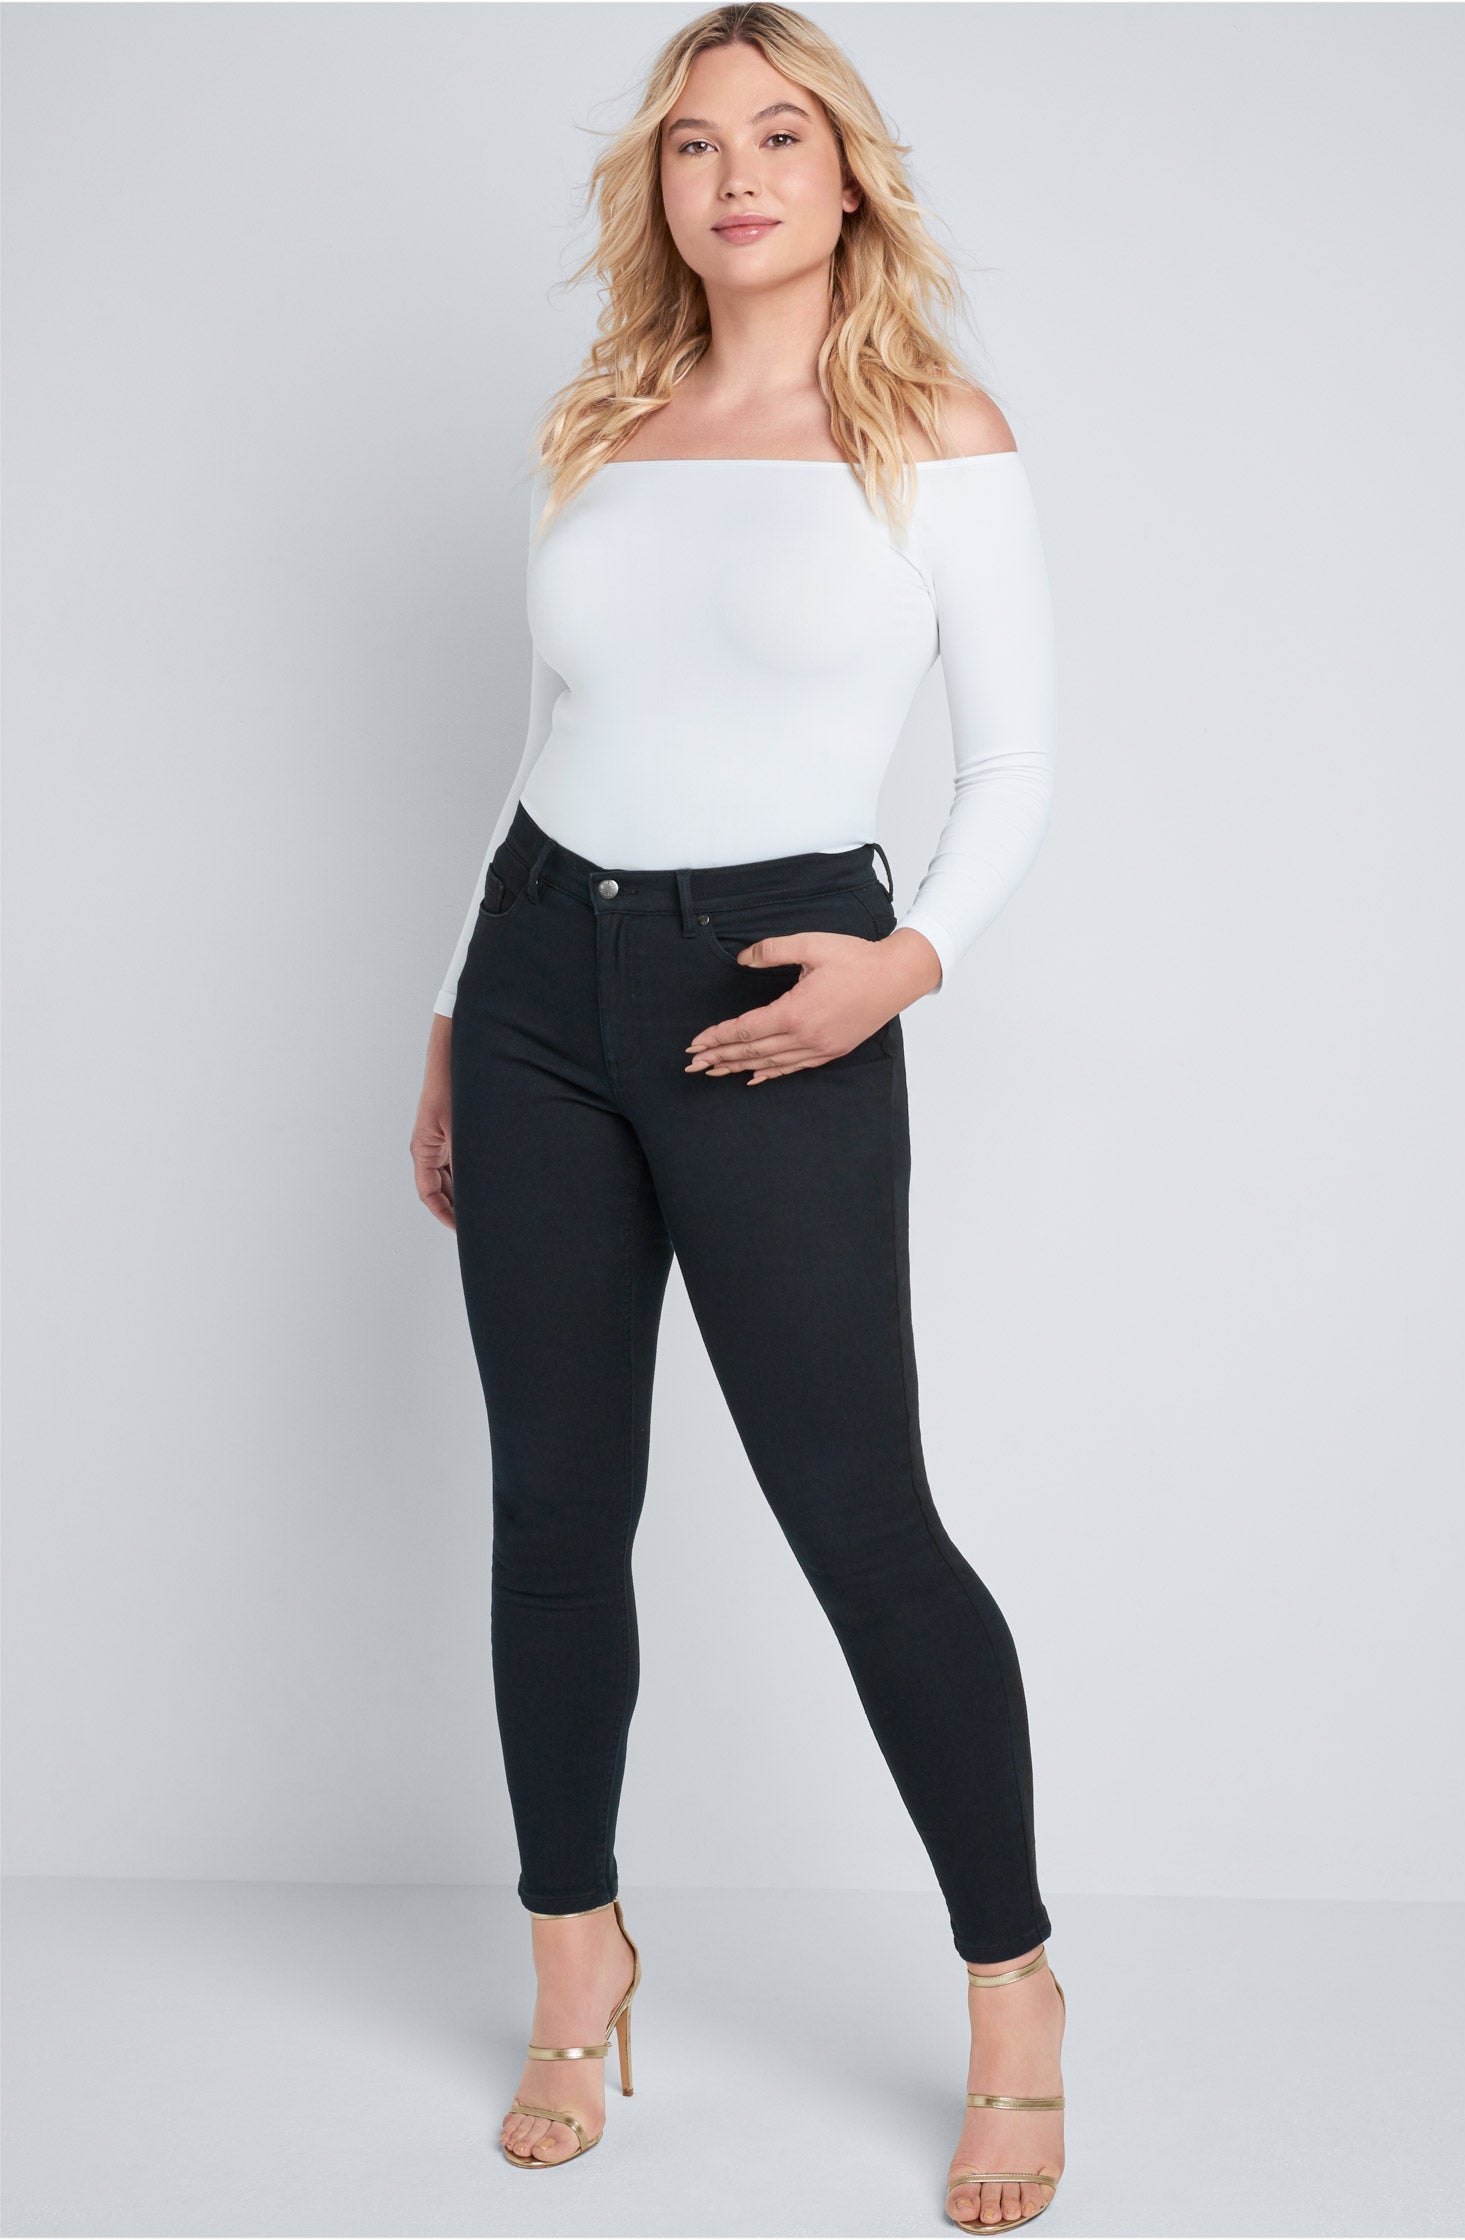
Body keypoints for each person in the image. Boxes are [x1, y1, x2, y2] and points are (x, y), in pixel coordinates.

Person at [409, 7, 1065, 2229]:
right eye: (695, 146)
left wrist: (903, 963)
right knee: (551, 1509)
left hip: (778, 981)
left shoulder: (930, 433)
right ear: (660, 189)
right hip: (536, 973)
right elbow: (541, 734)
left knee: (859, 1517)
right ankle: (573, 1962)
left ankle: (1011, 1990)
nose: (739, 176)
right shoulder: (604, 420)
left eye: (781, 136)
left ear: (846, 173)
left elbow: (1013, 768)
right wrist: (450, 1012)